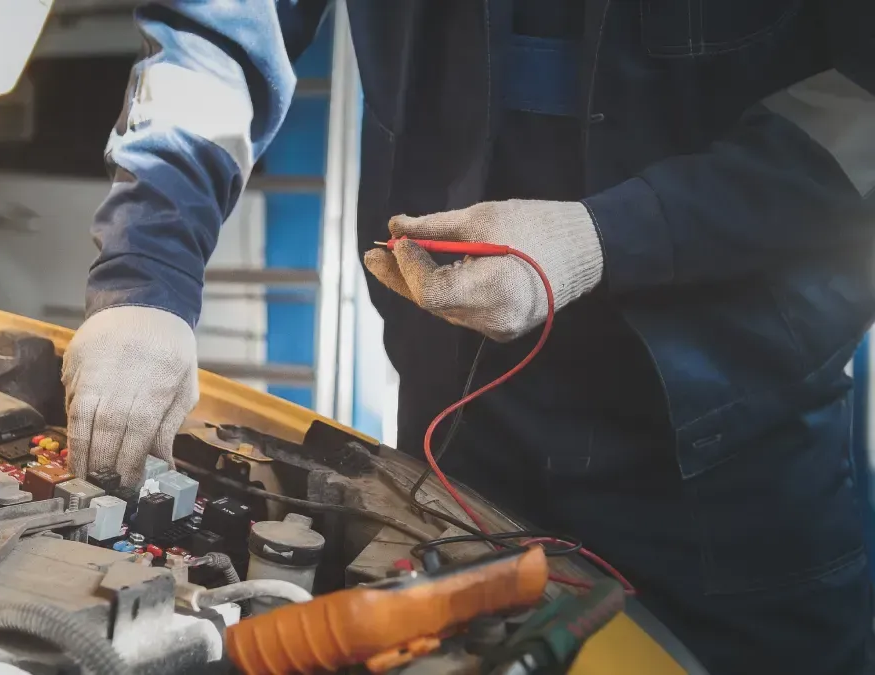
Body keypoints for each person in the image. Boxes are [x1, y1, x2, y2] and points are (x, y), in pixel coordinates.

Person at [62, 2, 875, 673]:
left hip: (737, 474)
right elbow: (221, 38)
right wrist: (148, 280)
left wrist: (608, 237)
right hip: (463, 431)